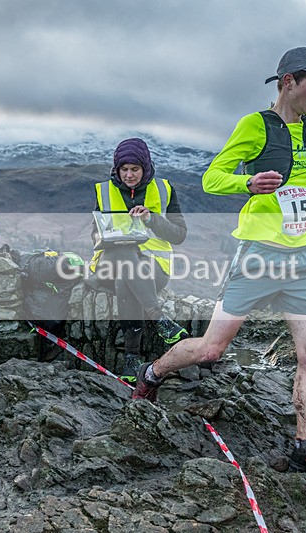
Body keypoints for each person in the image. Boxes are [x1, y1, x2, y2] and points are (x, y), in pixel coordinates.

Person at [133, 47, 306, 480]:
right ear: (287, 81)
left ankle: (304, 448)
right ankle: (152, 371)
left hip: (299, 258)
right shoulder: (255, 125)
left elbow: (304, 185)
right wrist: (248, 182)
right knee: (212, 349)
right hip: (257, 254)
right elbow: (212, 178)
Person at [89, 137, 189, 383]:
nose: (129, 175)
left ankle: (132, 357)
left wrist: (152, 219)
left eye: (135, 169)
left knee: (127, 276)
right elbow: (94, 232)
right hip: (107, 265)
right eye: (124, 169)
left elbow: (179, 235)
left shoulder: (164, 189)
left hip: (152, 268)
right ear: (117, 168)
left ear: (145, 167)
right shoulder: (104, 191)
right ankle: (158, 319)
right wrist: (103, 236)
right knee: (123, 255)